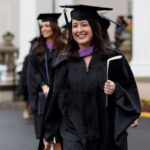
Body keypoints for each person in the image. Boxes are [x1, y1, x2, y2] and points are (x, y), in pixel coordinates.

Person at [41, 5, 141, 150]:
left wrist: (116, 89)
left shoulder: (112, 58)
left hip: (105, 130)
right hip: (73, 132)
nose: (79, 30)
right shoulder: (64, 61)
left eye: (84, 25)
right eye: (74, 26)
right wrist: (49, 133)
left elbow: (128, 87)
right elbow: (55, 99)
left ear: (95, 27)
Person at [27, 13, 66, 141]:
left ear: (54, 27)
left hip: (60, 95)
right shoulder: (37, 48)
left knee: (60, 135)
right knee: (44, 136)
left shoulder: (64, 48)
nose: (43, 28)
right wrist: (43, 85)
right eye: (42, 26)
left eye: (47, 25)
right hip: (43, 97)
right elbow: (32, 72)